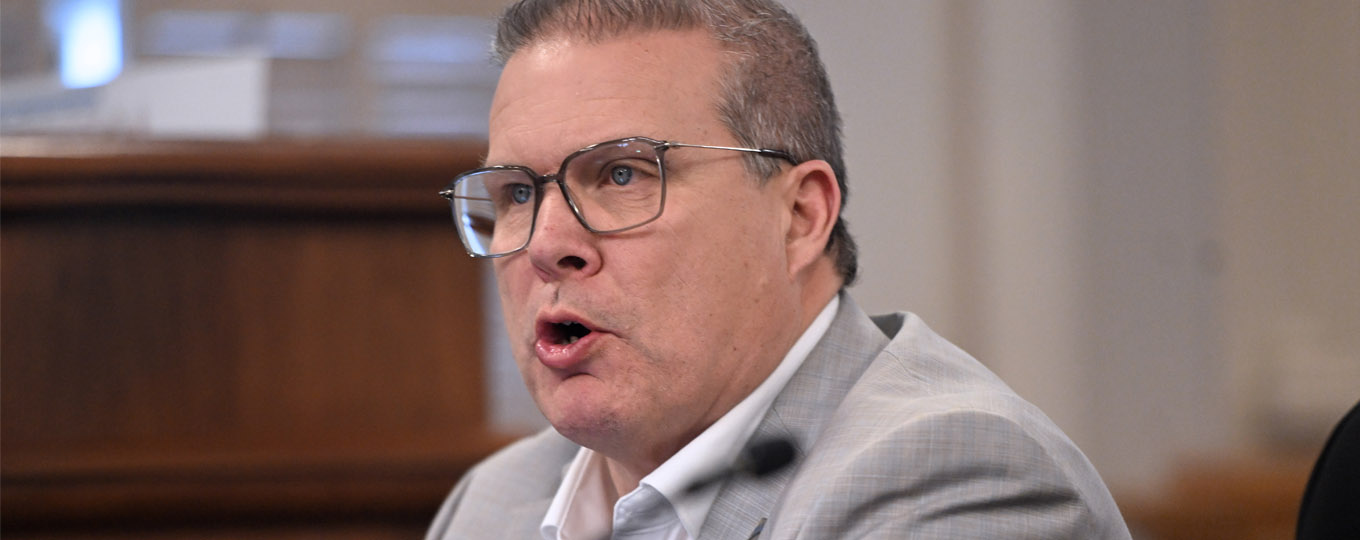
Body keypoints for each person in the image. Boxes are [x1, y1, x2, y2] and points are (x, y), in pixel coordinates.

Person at [427, 0, 1131, 538]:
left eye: (621, 174)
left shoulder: (954, 475)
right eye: (517, 193)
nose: (547, 243)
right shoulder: (494, 504)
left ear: (799, 216)